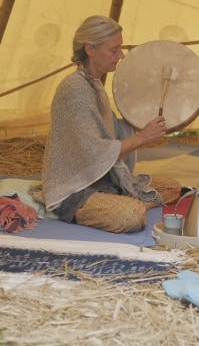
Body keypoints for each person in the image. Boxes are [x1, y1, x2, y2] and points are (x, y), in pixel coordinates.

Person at [42, 15, 172, 233]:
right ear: (90, 49)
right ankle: (133, 204)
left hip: (103, 181)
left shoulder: (93, 85)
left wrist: (140, 123)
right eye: (114, 50)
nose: (120, 56)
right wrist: (141, 137)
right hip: (76, 189)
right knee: (130, 217)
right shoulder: (74, 88)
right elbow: (93, 151)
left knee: (170, 186)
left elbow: (112, 132)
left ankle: (130, 201)